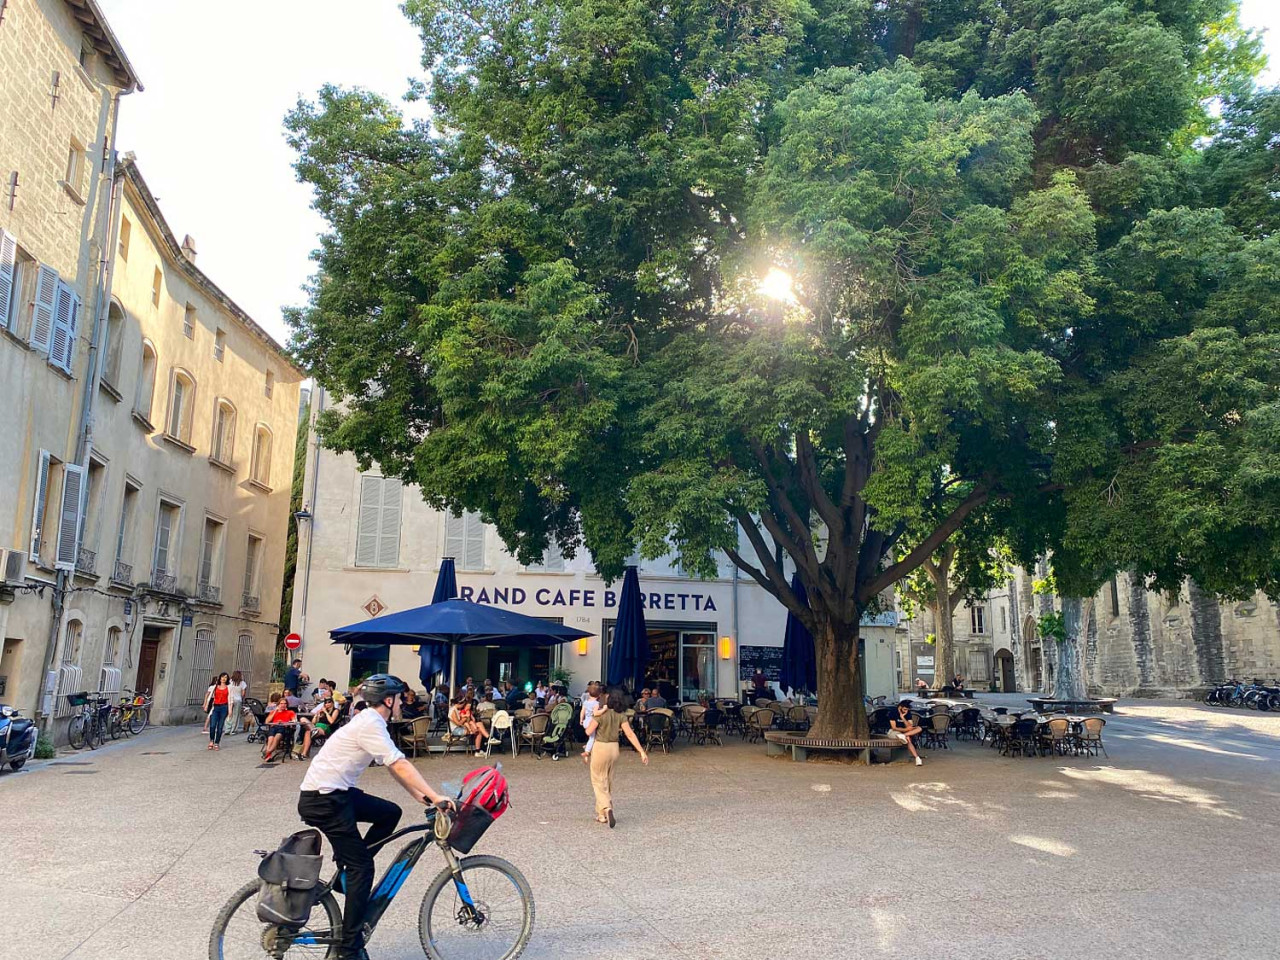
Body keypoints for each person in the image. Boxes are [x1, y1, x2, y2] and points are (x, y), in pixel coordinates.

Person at [299, 675, 455, 960]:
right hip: (325, 800)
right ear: (388, 700)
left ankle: (349, 870)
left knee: (389, 813)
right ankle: (350, 949)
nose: (401, 703)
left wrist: (417, 796)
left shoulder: (371, 722)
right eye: (398, 698)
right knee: (363, 870)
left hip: (336, 794)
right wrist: (435, 795)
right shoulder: (371, 723)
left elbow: (393, 766)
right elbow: (400, 763)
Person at [585, 689, 648, 827]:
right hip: (614, 748)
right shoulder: (621, 715)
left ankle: (607, 808)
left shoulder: (601, 714)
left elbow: (589, 731)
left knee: (597, 780)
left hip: (601, 747)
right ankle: (601, 814)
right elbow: (630, 734)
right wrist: (641, 751)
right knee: (607, 780)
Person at [300, 691, 342, 759]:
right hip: (317, 726)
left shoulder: (335, 710)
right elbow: (314, 722)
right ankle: (304, 753)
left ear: (332, 703)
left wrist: (326, 712)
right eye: (326, 703)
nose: (327, 704)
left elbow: (331, 721)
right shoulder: (322, 711)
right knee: (303, 720)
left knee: (308, 732)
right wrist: (316, 715)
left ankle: (304, 753)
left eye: (329, 702)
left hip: (326, 728)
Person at [262, 693, 299, 762]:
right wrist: (275, 711)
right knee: (270, 739)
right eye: (281, 703)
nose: (283, 705)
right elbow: (267, 721)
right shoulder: (273, 712)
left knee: (276, 738)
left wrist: (284, 722)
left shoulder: (290, 712)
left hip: (283, 728)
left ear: (287, 705)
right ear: (278, 704)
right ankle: (269, 754)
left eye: (285, 703)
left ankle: (267, 752)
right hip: (274, 727)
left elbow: (294, 721)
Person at [888, 701, 924, 766]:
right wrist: (906, 729)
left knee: (919, 728)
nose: (906, 711)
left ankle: (903, 735)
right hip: (894, 731)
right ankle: (917, 757)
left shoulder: (907, 713)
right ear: (900, 707)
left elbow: (910, 726)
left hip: (905, 732)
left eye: (907, 709)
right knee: (908, 738)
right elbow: (894, 727)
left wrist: (903, 718)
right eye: (904, 709)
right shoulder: (893, 712)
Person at [204, 673, 231, 750]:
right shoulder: (215, 687)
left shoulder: (229, 688)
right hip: (215, 707)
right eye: (222, 677)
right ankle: (211, 740)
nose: (224, 679)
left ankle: (217, 743)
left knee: (220, 726)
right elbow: (209, 697)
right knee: (212, 725)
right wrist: (206, 705)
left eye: (226, 677)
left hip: (224, 707)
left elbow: (230, 699)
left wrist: (230, 709)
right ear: (220, 678)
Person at [580, 681, 601, 766]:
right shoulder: (596, 703)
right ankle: (587, 751)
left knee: (591, 737)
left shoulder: (586, 702)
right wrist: (603, 710)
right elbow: (596, 713)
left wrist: (581, 720)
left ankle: (588, 747)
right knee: (593, 737)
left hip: (586, 721)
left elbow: (582, 712)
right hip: (592, 722)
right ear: (599, 695)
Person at [224, 670, 248, 736]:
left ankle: (227, 729)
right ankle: (233, 730)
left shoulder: (230, 682)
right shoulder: (242, 683)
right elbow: (243, 694)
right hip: (238, 700)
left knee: (229, 714)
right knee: (236, 715)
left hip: (229, 699)